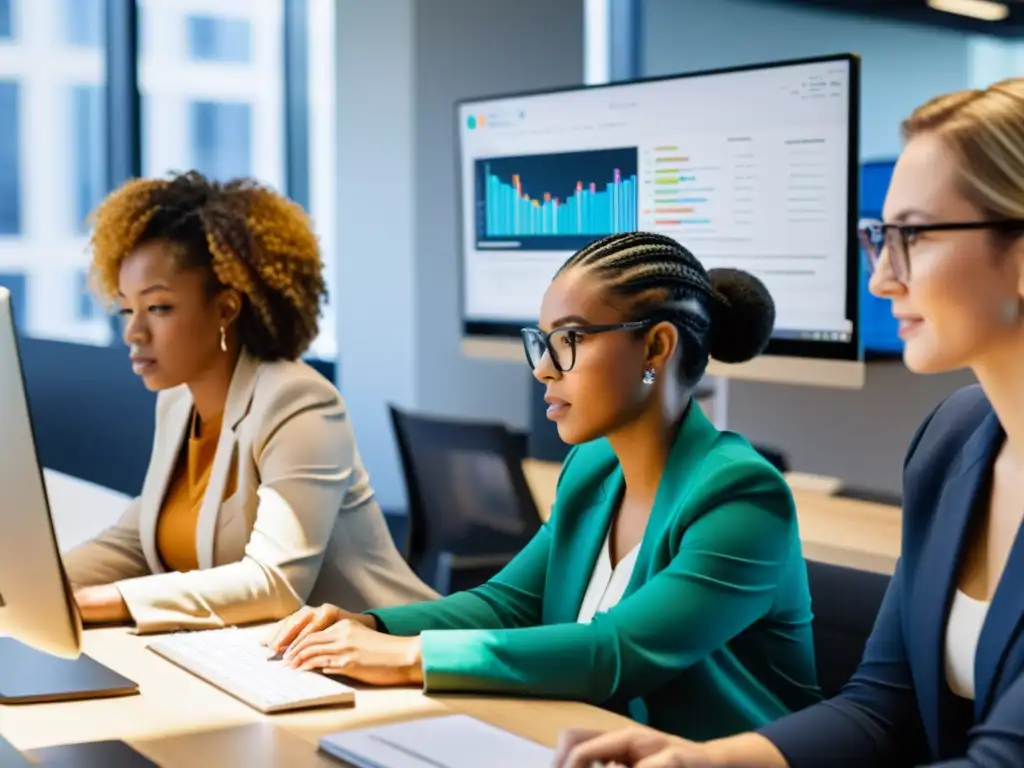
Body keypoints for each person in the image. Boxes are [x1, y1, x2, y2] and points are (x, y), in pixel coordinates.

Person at [553, 78, 1024, 768]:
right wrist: (702, 761)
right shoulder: (952, 442)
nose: (881, 279)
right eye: (879, 239)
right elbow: (880, 705)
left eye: (914, 237)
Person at [263, 231, 822, 740]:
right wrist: (370, 623)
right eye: (543, 341)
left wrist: (408, 656)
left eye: (571, 338)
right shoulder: (592, 467)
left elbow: (615, 652)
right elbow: (507, 604)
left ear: (656, 347)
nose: (544, 369)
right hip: (589, 742)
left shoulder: (743, 496)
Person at [62, 171, 437, 635]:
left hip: (391, 664)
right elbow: (134, 542)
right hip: (269, 666)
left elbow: (274, 584)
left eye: (158, 308)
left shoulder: (299, 403)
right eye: (126, 309)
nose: (133, 333)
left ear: (225, 309)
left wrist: (108, 601)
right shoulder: (178, 403)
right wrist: (38, 588)